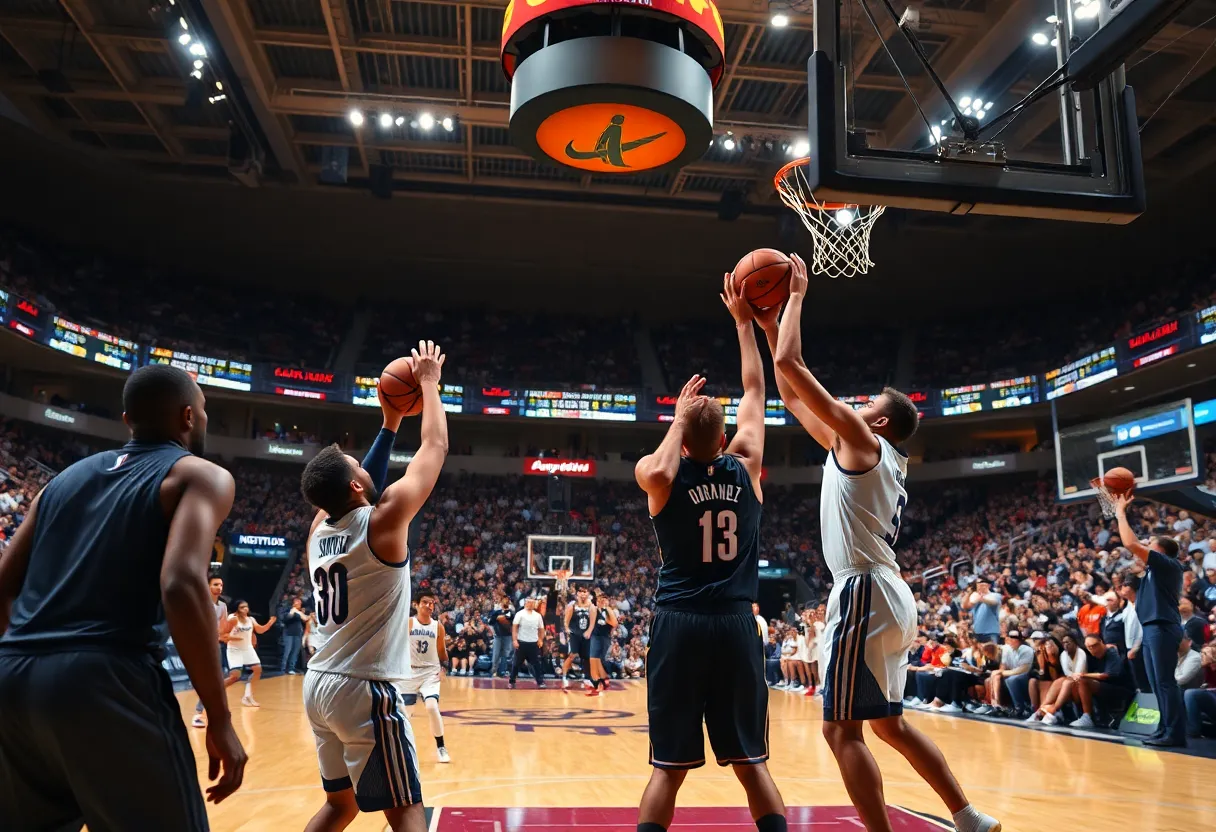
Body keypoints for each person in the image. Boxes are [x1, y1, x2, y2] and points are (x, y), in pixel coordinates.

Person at [770, 254, 999, 832]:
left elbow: (791, 363)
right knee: (890, 725)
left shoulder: (861, 438)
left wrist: (795, 296)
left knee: (838, 730)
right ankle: (968, 817)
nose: (859, 403)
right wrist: (763, 322)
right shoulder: (865, 449)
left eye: (869, 402)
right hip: (888, 592)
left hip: (865, 591)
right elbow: (792, 396)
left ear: (880, 423)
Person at [0, 364, 247, 830]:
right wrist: (218, 716)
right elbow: (179, 585)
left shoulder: (60, 482)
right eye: (207, 410)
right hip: (106, 678)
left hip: (14, 678)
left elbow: (2, 587)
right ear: (189, 417)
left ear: (126, 418)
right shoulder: (202, 475)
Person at [636, 275, 786, 832]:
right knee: (752, 762)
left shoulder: (660, 480)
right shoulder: (745, 465)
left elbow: (657, 467)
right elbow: (754, 390)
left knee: (667, 770)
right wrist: (745, 323)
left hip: (679, 624)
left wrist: (678, 420)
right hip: (733, 622)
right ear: (724, 439)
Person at [300, 340, 448, 832]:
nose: (363, 463)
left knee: (339, 808)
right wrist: (428, 381)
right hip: (364, 689)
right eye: (355, 463)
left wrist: (389, 423)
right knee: (407, 810)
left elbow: (359, 485)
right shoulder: (382, 525)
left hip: (319, 683)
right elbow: (435, 449)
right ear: (358, 487)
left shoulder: (318, 530)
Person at [1113, 493, 1187, 748]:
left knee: (1165, 682)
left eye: (1151, 543)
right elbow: (1131, 557)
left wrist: (1120, 513)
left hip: (1163, 627)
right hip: (1152, 629)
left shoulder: (1169, 565)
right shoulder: (1151, 573)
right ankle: (1164, 728)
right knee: (1157, 683)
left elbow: (1131, 544)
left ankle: (1175, 733)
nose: (1145, 544)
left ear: (1162, 552)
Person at [404, 590, 450, 763]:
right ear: (416, 604)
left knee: (431, 707)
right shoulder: (408, 623)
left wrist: (444, 668)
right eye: (425, 602)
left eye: (432, 603)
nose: (429, 606)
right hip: (409, 673)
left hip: (430, 672)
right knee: (406, 714)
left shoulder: (438, 626)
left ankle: (441, 747)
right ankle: (403, 749)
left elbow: (441, 651)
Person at [193, 575, 233, 728]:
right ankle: (198, 713)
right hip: (201, 644)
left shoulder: (222, 606)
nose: (219, 587)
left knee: (216, 679)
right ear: (208, 586)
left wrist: (228, 634)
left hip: (215, 644)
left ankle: (208, 712)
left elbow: (222, 627)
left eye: (221, 585)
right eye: (215, 584)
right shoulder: (201, 602)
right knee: (209, 680)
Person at [223, 600, 276, 707]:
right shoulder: (232, 618)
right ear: (237, 608)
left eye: (246, 607)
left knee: (257, 670)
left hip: (248, 648)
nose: (246, 609)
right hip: (235, 650)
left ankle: (248, 696)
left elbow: (260, 630)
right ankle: (215, 692)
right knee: (235, 676)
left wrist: (270, 623)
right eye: (242, 607)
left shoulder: (251, 619)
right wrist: (233, 637)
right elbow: (224, 634)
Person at [510, 596, 546, 689]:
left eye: (533, 602)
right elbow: (514, 628)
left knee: (536, 664)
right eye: (529, 602)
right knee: (516, 664)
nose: (531, 604)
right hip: (521, 643)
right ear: (526, 603)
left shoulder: (538, 616)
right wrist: (514, 640)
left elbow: (541, 629)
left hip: (533, 643)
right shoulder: (520, 614)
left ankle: (540, 682)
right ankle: (512, 681)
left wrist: (540, 639)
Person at [562, 586, 595, 689]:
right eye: (581, 592)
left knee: (586, 657)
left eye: (585, 592)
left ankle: (587, 677)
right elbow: (566, 620)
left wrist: (589, 631)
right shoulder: (572, 605)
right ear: (577, 594)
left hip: (585, 634)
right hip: (575, 634)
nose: (583, 594)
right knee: (572, 655)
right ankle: (564, 677)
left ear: (588, 594)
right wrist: (567, 628)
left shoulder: (591, 606)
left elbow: (592, 622)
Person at [587, 591, 619, 696]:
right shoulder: (594, 609)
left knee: (597, 660)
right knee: (594, 659)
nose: (601, 600)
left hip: (605, 637)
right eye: (599, 599)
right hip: (595, 636)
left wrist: (606, 608)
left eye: (604, 598)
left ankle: (600, 682)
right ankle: (599, 682)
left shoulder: (611, 610)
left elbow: (614, 623)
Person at [961, 579, 1001, 644]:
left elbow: (994, 602)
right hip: (977, 632)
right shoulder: (975, 597)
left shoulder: (994, 595)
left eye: (982, 584)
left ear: (988, 585)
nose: (979, 586)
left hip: (990, 632)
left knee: (992, 652)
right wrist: (969, 593)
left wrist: (982, 599)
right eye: (978, 584)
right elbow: (965, 607)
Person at [281, 596, 309, 675]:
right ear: (293, 602)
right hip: (288, 633)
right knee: (287, 651)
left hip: (297, 634)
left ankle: (291, 668)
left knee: (295, 652)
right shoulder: (289, 610)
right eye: (297, 601)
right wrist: (293, 611)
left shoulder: (299, 612)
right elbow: (286, 618)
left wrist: (298, 612)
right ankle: (283, 669)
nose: (299, 603)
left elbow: (305, 619)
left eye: (300, 602)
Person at [491, 596, 515, 677]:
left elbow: (510, 618)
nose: (505, 602)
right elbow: (491, 622)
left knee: (506, 654)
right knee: (496, 654)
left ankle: (504, 671)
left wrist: (501, 616)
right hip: (498, 636)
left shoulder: (511, 612)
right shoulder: (496, 612)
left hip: (508, 636)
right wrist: (497, 617)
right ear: (501, 602)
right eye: (503, 601)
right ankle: (494, 670)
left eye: (507, 601)